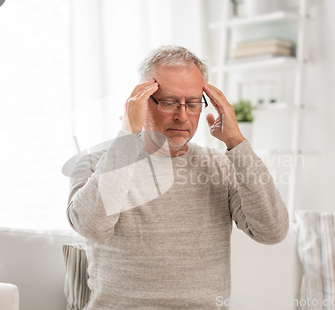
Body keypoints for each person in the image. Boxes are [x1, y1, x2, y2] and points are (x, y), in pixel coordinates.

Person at [66, 45, 289, 309]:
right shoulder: (96, 164)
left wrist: (236, 142)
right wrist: (128, 134)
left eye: (192, 103)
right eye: (169, 102)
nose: (182, 116)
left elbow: (272, 231)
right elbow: (92, 226)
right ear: (140, 101)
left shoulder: (221, 165)